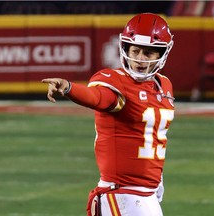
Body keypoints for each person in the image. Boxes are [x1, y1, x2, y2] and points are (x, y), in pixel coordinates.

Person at [42, 13, 175, 216]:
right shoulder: (114, 81)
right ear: (125, 49)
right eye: (136, 50)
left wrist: (157, 179)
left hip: (147, 194)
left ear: (161, 54)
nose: (139, 58)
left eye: (148, 53)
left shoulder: (163, 85)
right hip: (121, 193)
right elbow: (96, 97)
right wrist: (69, 88)